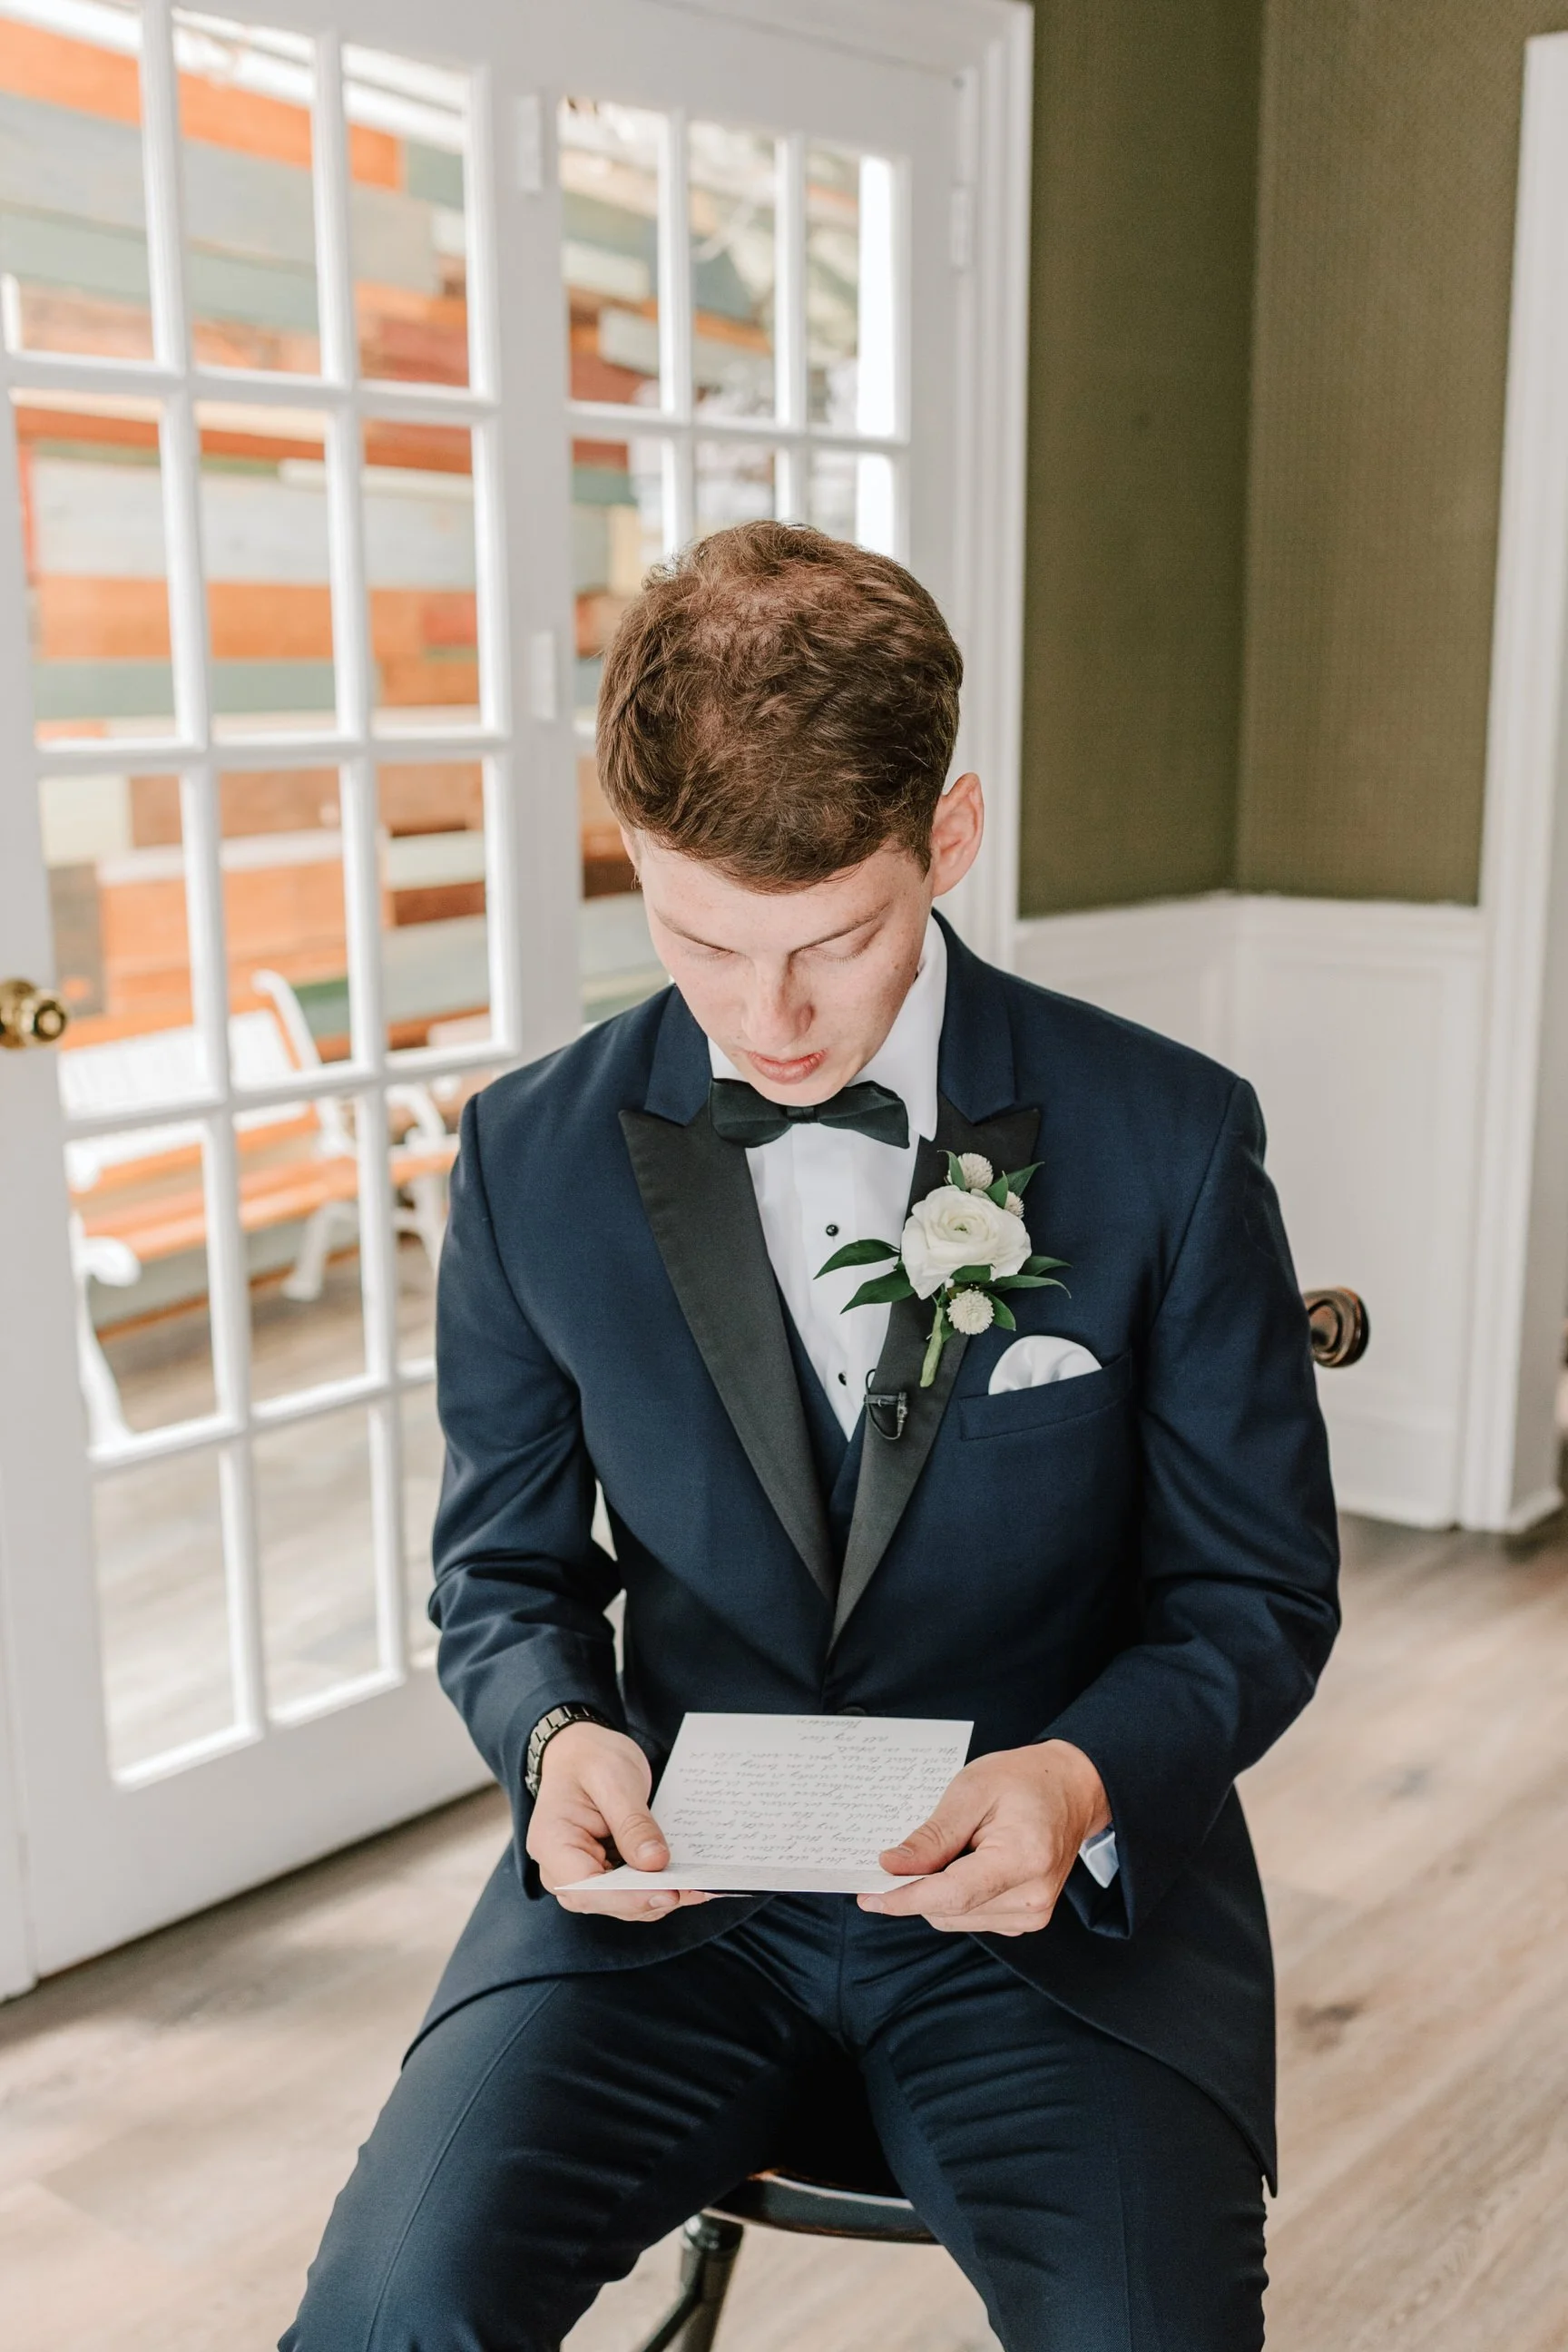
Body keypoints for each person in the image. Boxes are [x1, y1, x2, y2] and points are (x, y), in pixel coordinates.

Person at [283, 522, 1338, 2352]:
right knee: (392, 2315)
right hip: (668, 1908)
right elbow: (503, 1572)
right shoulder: (530, 1158)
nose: (766, 1021)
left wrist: (1082, 1782)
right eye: (700, 941)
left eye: (833, 945)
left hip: (1054, 1915)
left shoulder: (1166, 1139)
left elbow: (1254, 1591)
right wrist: (553, 1740)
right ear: (634, 862)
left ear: (951, 837)